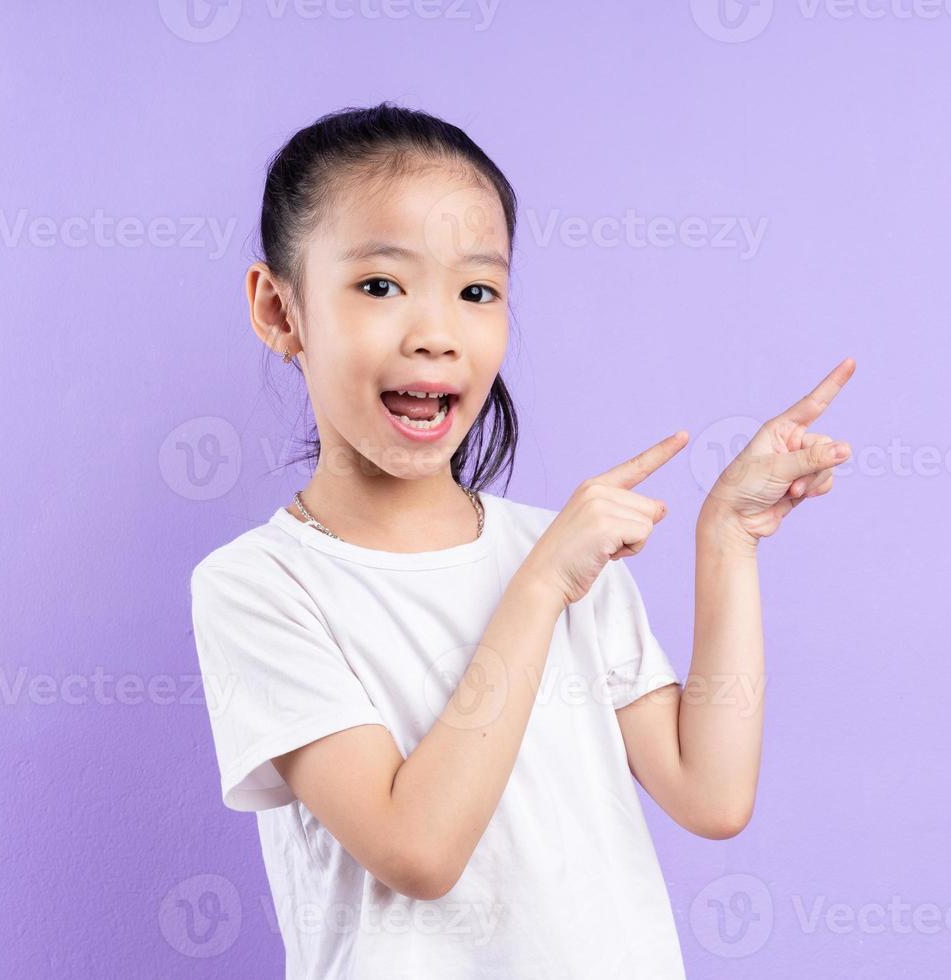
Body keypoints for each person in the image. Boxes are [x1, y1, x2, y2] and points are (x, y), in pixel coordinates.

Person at [188, 101, 854, 979]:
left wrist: (728, 537)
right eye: (380, 285)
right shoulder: (260, 585)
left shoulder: (561, 549)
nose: (435, 333)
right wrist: (538, 588)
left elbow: (711, 793)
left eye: (477, 291)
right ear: (280, 310)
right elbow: (417, 850)